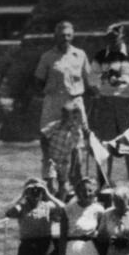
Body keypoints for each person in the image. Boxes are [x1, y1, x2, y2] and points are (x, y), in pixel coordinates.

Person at [34, 21, 94, 195]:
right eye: (61, 35)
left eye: (68, 35)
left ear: (72, 36)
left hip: (75, 102)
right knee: (50, 143)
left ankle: (78, 187)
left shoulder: (80, 55)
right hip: (53, 103)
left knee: (77, 145)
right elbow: (37, 80)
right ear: (55, 36)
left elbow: (89, 80)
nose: (65, 39)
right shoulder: (47, 57)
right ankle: (51, 186)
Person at [90, 23, 129, 186]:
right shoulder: (100, 56)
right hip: (106, 103)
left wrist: (125, 80)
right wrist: (102, 80)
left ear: (122, 36)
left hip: (127, 104)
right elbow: (91, 77)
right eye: (109, 38)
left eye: (115, 37)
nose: (112, 41)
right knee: (104, 143)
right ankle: (103, 181)